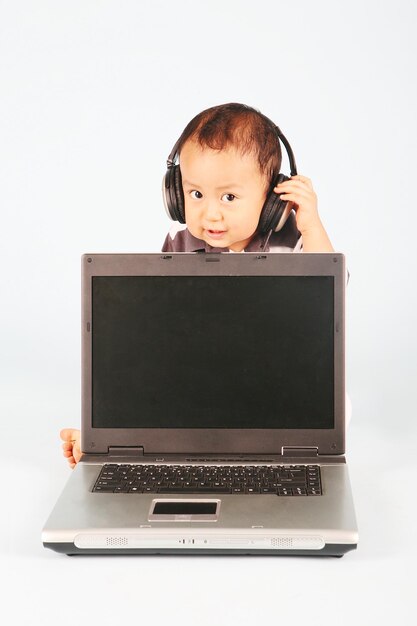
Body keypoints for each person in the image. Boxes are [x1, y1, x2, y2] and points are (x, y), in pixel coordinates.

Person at [61, 102, 335, 468]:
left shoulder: (291, 242)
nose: (211, 214)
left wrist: (311, 227)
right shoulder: (179, 246)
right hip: (200, 371)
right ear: (176, 194)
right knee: (152, 380)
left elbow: (331, 293)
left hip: (269, 372)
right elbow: (156, 329)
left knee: (331, 400)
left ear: (273, 199)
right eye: (196, 194)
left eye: (229, 197)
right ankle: (107, 443)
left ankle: (276, 453)